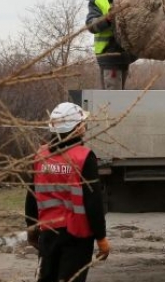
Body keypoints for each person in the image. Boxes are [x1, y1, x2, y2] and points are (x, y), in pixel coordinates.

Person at [26, 102, 110, 282]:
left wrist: (31, 229)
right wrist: (101, 238)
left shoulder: (41, 156)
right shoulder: (84, 157)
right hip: (77, 237)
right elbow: (93, 202)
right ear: (76, 128)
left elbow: (31, 196)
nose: (84, 126)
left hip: (48, 233)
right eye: (82, 123)